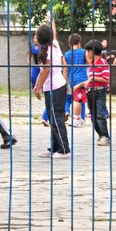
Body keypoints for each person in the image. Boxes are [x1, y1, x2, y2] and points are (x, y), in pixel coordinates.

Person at [33, 18, 70, 159]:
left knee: (56, 118)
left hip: (55, 88)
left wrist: (39, 87)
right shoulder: (52, 45)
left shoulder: (50, 48)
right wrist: (37, 86)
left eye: (36, 35)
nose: (35, 37)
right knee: (53, 118)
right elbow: (42, 71)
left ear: (41, 37)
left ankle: (64, 149)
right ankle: (55, 147)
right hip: (53, 87)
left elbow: (46, 69)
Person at [73, 40, 111, 146]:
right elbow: (90, 80)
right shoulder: (92, 64)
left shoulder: (102, 62)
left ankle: (105, 136)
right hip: (90, 92)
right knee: (93, 116)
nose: (86, 54)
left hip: (99, 91)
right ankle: (100, 134)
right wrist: (79, 85)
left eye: (87, 51)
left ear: (90, 51)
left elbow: (106, 79)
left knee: (99, 114)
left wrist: (92, 78)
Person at [64, 33, 88, 128]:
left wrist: (65, 82)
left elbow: (65, 70)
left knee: (75, 98)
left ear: (69, 44)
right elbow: (89, 63)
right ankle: (79, 118)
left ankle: (74, 115)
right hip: (82, 78)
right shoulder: (84, 52)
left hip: (72, 79)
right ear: (79, 43)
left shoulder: (66, 54)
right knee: (80, 99)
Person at [28, 34, 49, 127]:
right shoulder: (32, 47)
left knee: (42, 76)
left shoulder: (43, 47)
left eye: (36, 38)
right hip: (36, 65)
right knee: (33, 77)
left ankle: (41, 88)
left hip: (42, 64)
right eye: (34, 38)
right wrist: (29, 62)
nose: (34, 39)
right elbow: (29, 57)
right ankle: (36, 88)